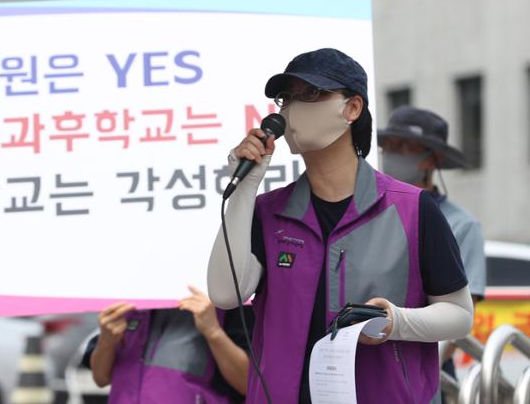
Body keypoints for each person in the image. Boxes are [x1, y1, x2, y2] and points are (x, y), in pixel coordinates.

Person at [207, 48, 474, 403]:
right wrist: (244, 189)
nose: (291, 109)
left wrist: (396, 322)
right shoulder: (268, 212)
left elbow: (458, 315)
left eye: (311, 94)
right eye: (286, 98)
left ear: (352, 108)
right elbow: (226, 294)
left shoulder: (412, 208)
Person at [378, 105, 487, 396]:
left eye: (405, 147)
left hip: (422, 371)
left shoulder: (462, 225)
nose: (393, 154)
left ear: (432, 159)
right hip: (369, 360)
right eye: (388, 146)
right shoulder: (369, 211)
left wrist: (419, 380)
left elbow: (460, 315)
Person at [81, 285, 253, 403]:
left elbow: (247, 383)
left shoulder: (228, 300)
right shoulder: (130, 298)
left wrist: (213, 332)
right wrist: (107, 341)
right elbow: (101, 378)